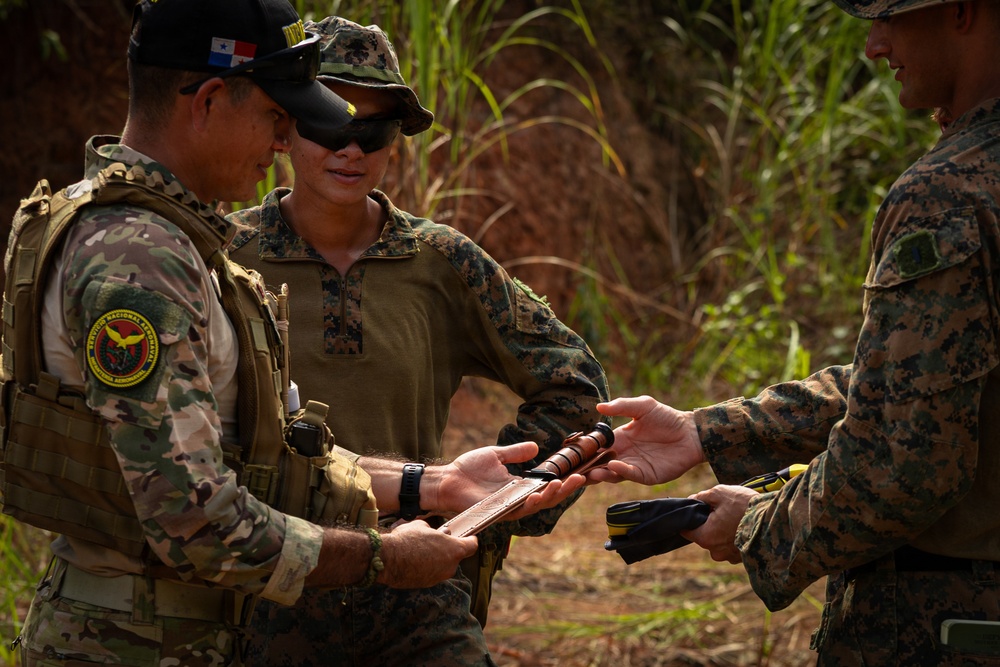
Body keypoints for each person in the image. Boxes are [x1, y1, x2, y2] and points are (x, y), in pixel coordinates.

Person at [1, 2, 582, 665]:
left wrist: (432, 485)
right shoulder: (138, 260)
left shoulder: (170, 244)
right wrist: (383, 557)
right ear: (211, 100)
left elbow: (255, 457)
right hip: (135, 640)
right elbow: (197, 521)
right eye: (281, 118)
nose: (285, 142)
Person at [591, 0, 1000, 664]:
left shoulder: (950, 194)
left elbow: (903, 463)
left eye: (888, 17)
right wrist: (708, 430)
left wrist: (757, 526)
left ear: (960, 11)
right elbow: (921, 384)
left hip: (945, 625)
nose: (873, 45)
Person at [226, 16, 610, 667]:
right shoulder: (226, 256)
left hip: (413, 586)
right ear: (285, 126)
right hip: (271, 585)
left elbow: (574, 384)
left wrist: (496, 502)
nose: (352, 149)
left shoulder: (441, 262)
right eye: (331, 122)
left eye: (373, 131)